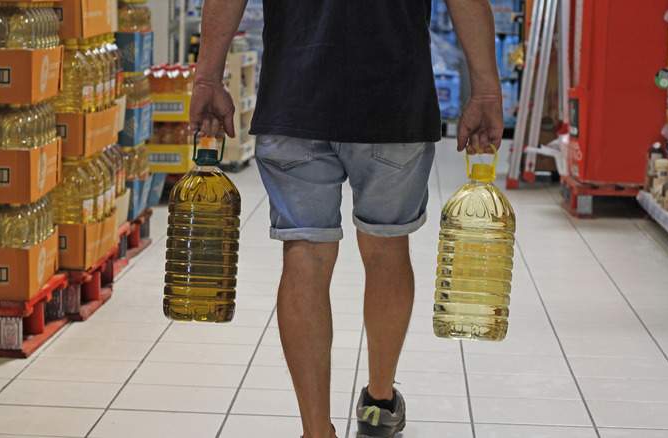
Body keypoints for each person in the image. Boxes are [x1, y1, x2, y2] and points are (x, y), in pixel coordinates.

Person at [189, 1, 503, 437]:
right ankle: (379, 403)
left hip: (294, 93)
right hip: (392, 97)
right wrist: (486, 91)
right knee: (386, 249)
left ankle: (316, 431)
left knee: (305, 255)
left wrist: (207, 77)